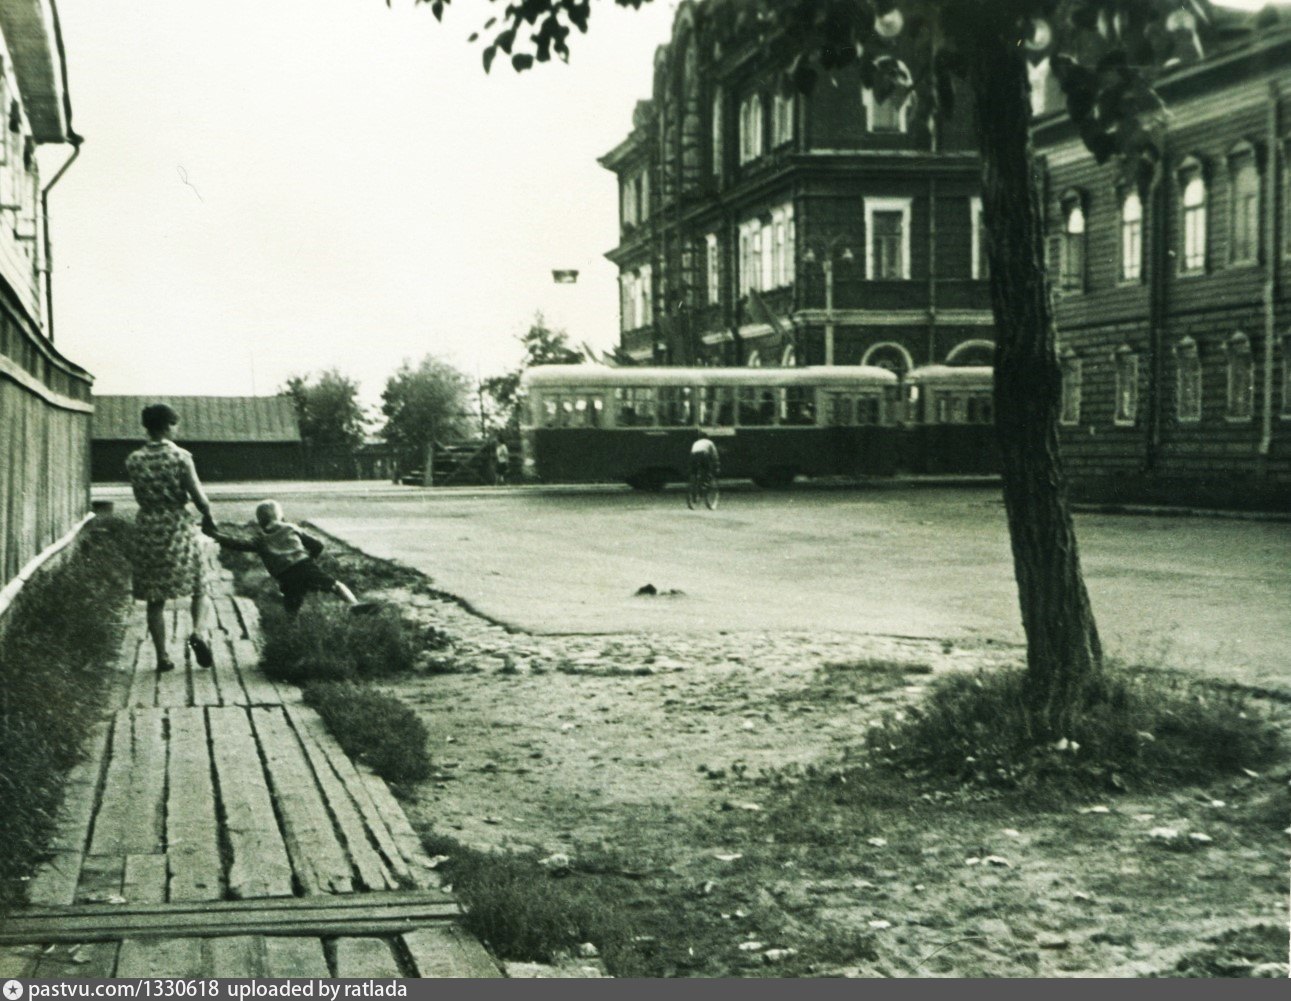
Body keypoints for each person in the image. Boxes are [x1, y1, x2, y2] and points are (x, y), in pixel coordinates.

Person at [124, 403, 217, 673]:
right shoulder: (181, 457)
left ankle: (163, 657)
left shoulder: (133, 459)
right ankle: (199, 633)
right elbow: (199, 497)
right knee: (200, 587)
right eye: (174, 424)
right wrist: (208, 516)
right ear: (167, 426)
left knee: (155, 598)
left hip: (147, 528)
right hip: (176, 526)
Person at [204, 500, 368, 616]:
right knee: (336, 586)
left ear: (260, 522)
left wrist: (216, 534)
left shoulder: (260, 539)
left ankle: (291, 627)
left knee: (291, 604)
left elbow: (238, 544)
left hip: (285, 575)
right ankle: (354, 604)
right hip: (305, 566)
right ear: (281, 517)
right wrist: (311, 558)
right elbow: (318, 545)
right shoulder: (291, 528)